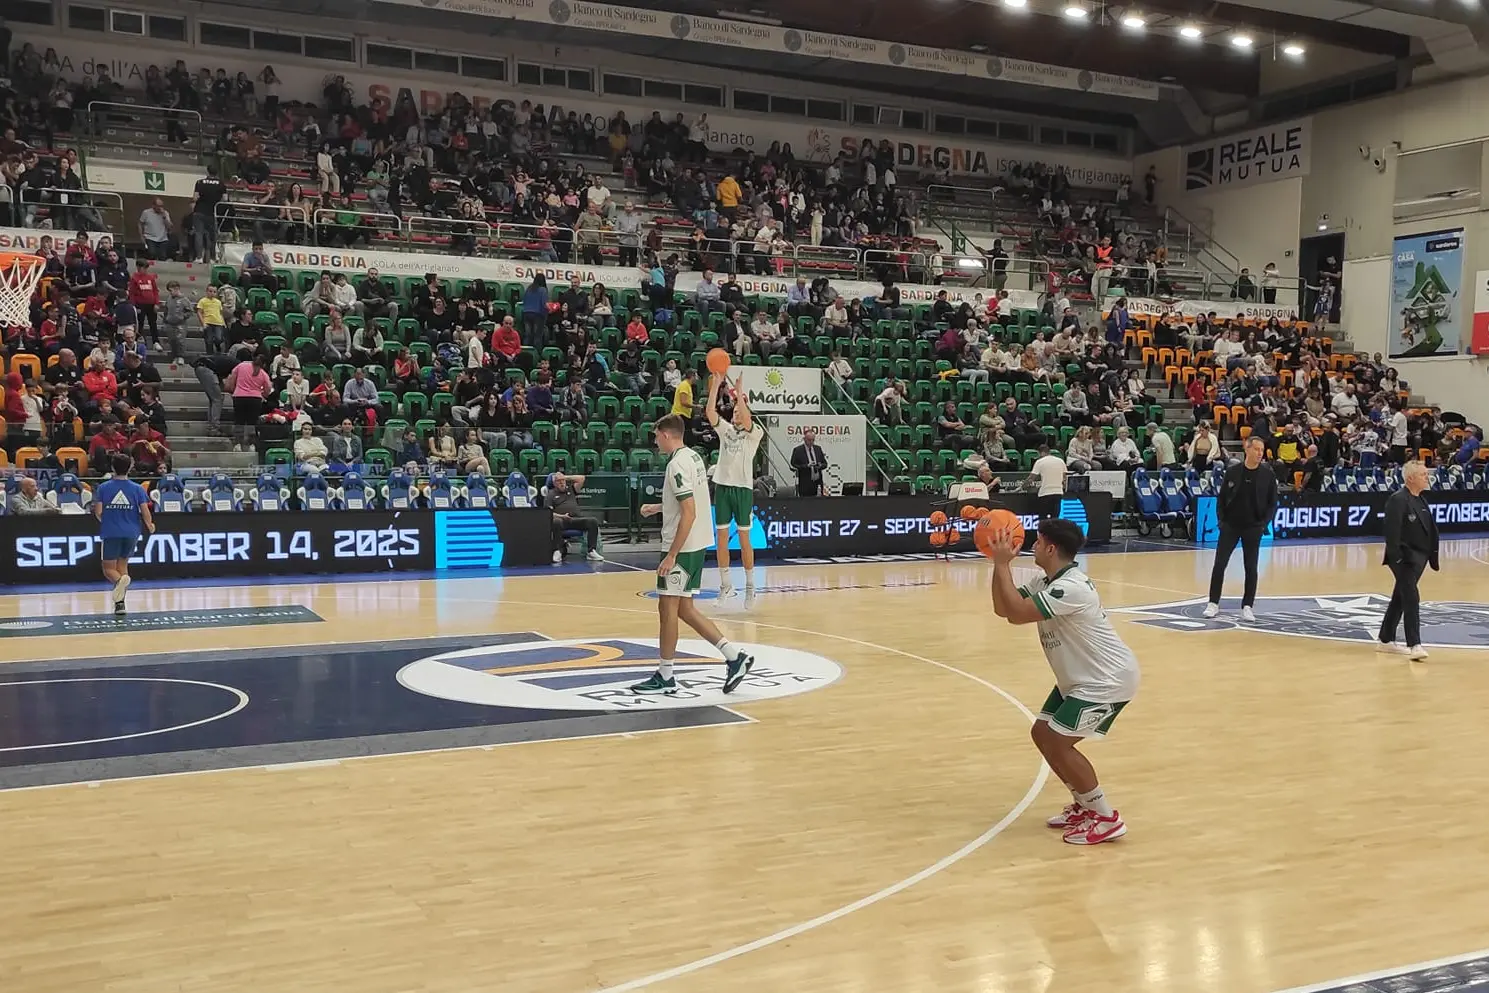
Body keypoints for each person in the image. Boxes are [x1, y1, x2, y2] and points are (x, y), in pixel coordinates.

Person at [986, 518, 1140, 846]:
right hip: (1080, 678)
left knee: (1058, 741)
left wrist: (1002, 564)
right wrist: (997, 566)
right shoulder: (1048, 581)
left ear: (1052, 548)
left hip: (1105, 680)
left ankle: (1105, 817)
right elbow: (1006, 611)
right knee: (1042, 732)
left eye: (1039, 541)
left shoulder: (1070, 588)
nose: (1033, 545)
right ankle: (1085, 806)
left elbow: (1017, 610)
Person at [630, 414, 754, 696]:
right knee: (684, 609)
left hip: (683, 547)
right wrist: (659, 507)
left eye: (656, 436)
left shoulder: (675, 465)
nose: (655, 441)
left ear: (666, 434)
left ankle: (666, 674)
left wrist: (671, 554)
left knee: (667, 609)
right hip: (698, 542)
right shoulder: (693, 457)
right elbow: (691, 499)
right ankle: (734, 657)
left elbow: (689, 511)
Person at [1203, 436, 1279, 621]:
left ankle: (1247, 606)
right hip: (1230, 526)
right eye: (1257, 449)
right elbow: (1221, 499)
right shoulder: (1233, 471)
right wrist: (1221, 521)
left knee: (1251, 567)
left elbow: (1272, 503)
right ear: (1247, 449)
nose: (1260, 453)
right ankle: (1213, 603)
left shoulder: (1268, 475)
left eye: (1262, 450)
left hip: (1253, 527)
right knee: (1220, 564)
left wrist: (1263, 525)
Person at [707, 372, 763, 602]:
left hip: (742, 489)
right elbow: (710, 413)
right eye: (735, 411)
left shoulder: (755, 433)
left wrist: (739, 394)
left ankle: (750, 585)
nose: (737, 413)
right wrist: (716, 386)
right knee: (721, 538)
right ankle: (726, 585)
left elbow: (748, 420)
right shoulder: (727, 431)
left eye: (741, 410)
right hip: (723, 487)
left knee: (744, 539)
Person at [1377, 461, 1439, 661]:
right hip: (1404, 558)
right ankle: (1415, 644)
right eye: (1422, 474)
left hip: (1419, 558)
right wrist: (1398, 557)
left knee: (1400, 598)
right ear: (1410, 478)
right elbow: (1392, 531)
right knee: (1411, 597)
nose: (1426, 477)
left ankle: (1385, 640)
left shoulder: (1421, 499)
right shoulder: (1398, 500)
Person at [93, 454, 155, 616]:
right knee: (122, 567)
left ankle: (120, 583)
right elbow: (145, 510)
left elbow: (98, 511)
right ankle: (120, 604)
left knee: (109, 570)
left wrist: (107, 521)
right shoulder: (137, 488)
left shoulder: (104, 488)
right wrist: (149, 525)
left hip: (111, 532)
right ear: (130, 467)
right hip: (132, 532)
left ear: (112, 467)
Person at [547, 471, 605, 564]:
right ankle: (557, 551)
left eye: (563, 481)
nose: (562, 482)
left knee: (592, 521)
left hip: (576, 519)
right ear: (554, 483)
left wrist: (564, 477)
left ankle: (591, 551)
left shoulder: (571, 489)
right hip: (562, 520)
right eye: (559, 481)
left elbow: (582, 478)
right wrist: (562, 516)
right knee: (555, 522)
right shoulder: (551, 494)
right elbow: (548, 513)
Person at [790, 427, 827, 497]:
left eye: (813, 440)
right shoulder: (798, 450)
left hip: (817, 483)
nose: (811, 442)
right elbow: (793, 465)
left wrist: (820, 465)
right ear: (804, 439)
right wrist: (806, 466)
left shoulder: (818, 449)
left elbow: (825, 464)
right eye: (809, 440)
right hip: (805, 483)